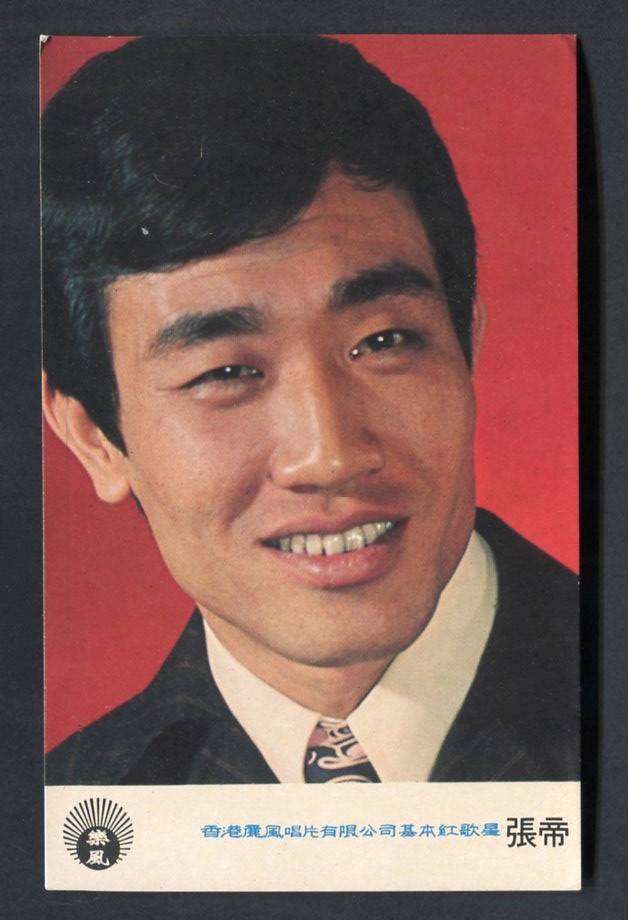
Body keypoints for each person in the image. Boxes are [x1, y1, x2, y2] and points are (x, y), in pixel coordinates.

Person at [43, 35, 579, 785]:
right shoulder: (67, 806)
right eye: (226, 372)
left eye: (384, 340)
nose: (329, 454)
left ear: (468, 343)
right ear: (94, 438)